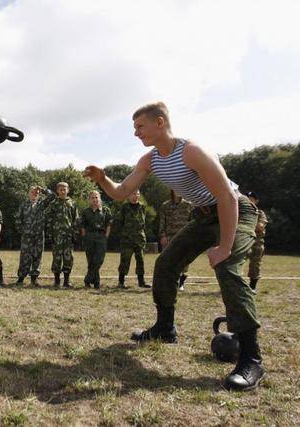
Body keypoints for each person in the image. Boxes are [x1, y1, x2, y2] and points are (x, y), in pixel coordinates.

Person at [84, 101, 263, 391]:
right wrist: (103, 177)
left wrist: (225, 246)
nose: (136, 133)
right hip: (204, 215)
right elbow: (121, 192)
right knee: (166, 264)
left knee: (227, 267)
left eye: (140, 126)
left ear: (160, 123)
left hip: (236, 210)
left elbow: (227, 197)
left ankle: (251, 359)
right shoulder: (150, 160)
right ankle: (165, 328)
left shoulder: (191, 151)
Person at [15, 185, 55, 286]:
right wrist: (22, 231)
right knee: (24, 256)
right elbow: (18, 219)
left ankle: (34, 278)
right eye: (32, 192)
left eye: (36, 193)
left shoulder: (42, 204)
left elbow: (52, 196)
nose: (35, 193)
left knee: (37, 256)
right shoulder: (23, 205)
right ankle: (21, 278)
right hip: (27, 235)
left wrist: (42, 190)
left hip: (38, 235)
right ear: (29, 193)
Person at [45, 182, 79, 288]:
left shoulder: (72, 203)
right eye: (60, 189)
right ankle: (56, 280)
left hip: (68, 236)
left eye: (65, 189)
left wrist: (75, 235)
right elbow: (48, 219)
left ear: (68, 190)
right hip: (57, 236)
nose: (63, 191)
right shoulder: (53, 204)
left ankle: (66, 281)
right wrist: (50, 235)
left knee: (68, 258)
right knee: (57, 258)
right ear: (57, 191)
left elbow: (76, 220)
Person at [159, 190, 194, 290]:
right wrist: (162, 236)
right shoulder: (165, 205)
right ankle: (166, 282)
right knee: (167, 260)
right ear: (172, 190)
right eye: (176, 189)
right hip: (169, 237)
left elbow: (193, 222)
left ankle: (181, 282)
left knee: (183, 260)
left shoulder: (189, 205)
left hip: (184, 236)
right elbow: (162, 222)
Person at [117, 189, 150, 289]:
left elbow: (144, 223)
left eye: (137, 194)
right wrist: (123, 234)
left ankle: (141, 282)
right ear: (129, 195)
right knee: (125, 260)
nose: (135, 196)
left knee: (141, 260)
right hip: (127, 239)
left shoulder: (143, 207)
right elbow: (120, 222)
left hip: (139, 238)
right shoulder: (124, 207)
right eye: (133, 194)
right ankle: (121, 282)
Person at [80, 190, 112, 289]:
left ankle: (87, 279)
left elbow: (109, 224)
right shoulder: (86, 211)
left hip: (101, 238)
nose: (95, 200)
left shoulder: (106, 210)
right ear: (89, 200)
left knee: (98, 260)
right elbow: (82, 226)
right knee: (91, 261)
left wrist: (106, 235)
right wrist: (85, 237)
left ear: (100, 198)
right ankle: (96, 283)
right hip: (89, 237)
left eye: (96, 197)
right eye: (92, 198)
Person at [246, 191, 268, 292]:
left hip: (256, 242)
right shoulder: (239, 212)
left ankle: (252, 287)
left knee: (255, 264)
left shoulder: (260, 213)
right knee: (233, 263)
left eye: (251, 199)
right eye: (247, 198)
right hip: (242, 240)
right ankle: (235, 286)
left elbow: (260, 226)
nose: (249, 201)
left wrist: (246, 225)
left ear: (256, 201)